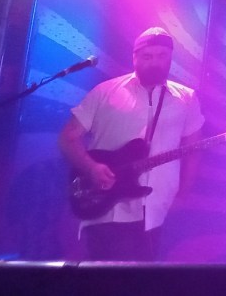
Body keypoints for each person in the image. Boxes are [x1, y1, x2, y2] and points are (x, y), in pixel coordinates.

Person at [58, 27, 204, 261]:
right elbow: (68, 138)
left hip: (157, 210)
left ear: (170, 58)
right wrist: (91, 168)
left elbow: (193, 151)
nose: (155, 62)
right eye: (147, 56)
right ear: (134, 57)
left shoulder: (186, 99)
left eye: (162, 56)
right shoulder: (105, 92)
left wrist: (183, 194)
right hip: (107, 206)